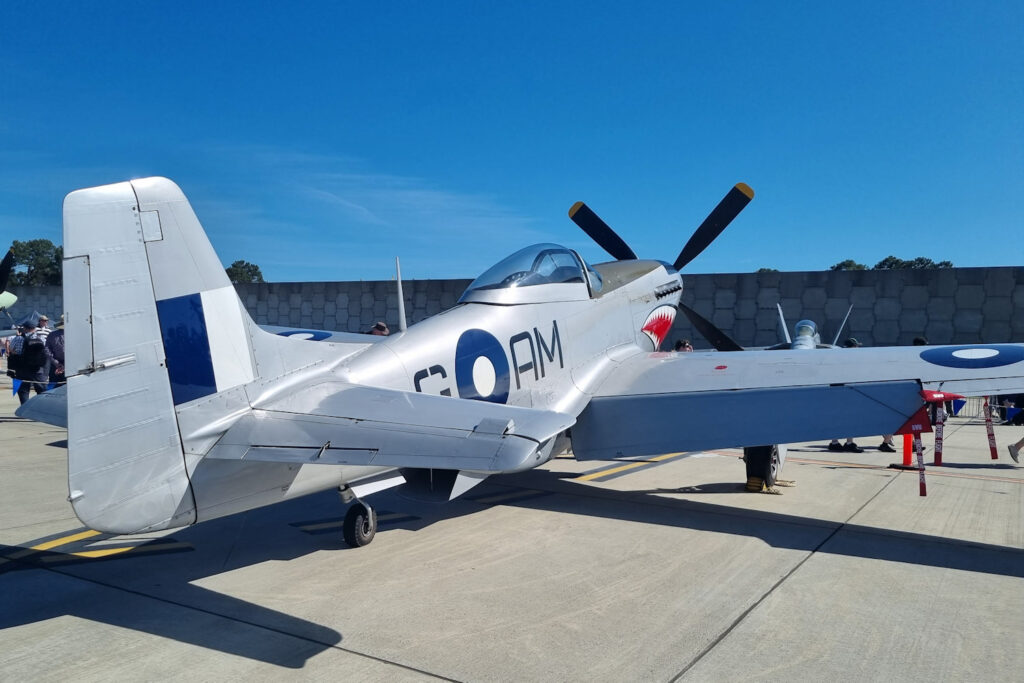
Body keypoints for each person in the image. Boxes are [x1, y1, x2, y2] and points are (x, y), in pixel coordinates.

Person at [828, 338, 864, 452]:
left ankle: (835, 442)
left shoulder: (837, 359)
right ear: (851, 348)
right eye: (856, 346)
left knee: (837, 418)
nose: (858, 348)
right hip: (847, 391)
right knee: (851, 417)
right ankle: (849, 443)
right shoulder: (851, 361)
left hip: (836, 391)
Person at [8, 319, 52, 404]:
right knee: (41, 390)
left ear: (24, 328)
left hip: (22, 368)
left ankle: (24, 409)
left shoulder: (18, 339)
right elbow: (45, 352)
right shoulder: (41, 338)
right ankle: (41, 408)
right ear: (34, 328)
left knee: (23, 391)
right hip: (37, 369)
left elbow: (11, 349)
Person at [46, 315, 65, 386]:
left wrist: (55, 363)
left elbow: (47, 350)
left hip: (55, 364)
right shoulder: (74, 335)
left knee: (53, 386)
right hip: (69, 366)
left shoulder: (51, 335)